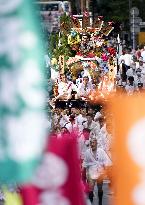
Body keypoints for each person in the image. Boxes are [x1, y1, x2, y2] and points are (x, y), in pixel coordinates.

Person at [83, 138, 112, 204]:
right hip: (91, 171)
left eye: (93, 143)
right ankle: (90, 202)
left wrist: (105, 170)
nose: (92, 144)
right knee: (91, 188)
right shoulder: (87, 152)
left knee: (100, 187)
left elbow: (105, 161)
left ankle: (100, 203)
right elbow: (85, 163)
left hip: (100, 171)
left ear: (96, 144)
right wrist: (83, 174)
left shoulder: (101, 151)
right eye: (91, 143)